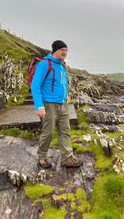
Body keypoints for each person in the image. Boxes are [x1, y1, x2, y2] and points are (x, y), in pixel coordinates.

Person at [31, 40, 82, 168]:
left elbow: (63, 83)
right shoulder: (44, 64)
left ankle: (67, 157)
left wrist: (66, 95)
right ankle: (42, 157)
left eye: (66, 50)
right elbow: (35, 86)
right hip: (48, 105)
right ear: (55, 50)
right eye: (62, 50)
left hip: (63, 104)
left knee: (65, 131)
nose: (64, 53)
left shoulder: (62, 65)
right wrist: (39, 106)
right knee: (48, 132)